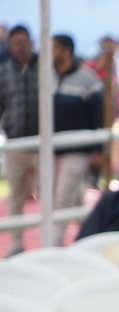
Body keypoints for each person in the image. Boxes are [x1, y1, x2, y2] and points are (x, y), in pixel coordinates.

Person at [47, 34, 102, 212]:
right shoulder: (47, 77)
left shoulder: (88, 79)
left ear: (67, 51)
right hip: (52, 149)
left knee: (61, 200)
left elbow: (98, 117)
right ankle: (86, 228)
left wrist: (98, 150)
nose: (49, 52)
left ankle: (56, 233)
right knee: (64, 198)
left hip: (78, 149)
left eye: (54, 48)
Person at [0, 25, 40, 255]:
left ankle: (49, 242)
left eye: (24, 42)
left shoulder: (45, 68)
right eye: (16, 43)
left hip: (44, 143)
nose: (21, 47)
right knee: (16, 195)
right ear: (10, 46)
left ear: (31, 42)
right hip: (15, 142)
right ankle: (16, 244)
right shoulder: (3, 72)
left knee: (48, 193)